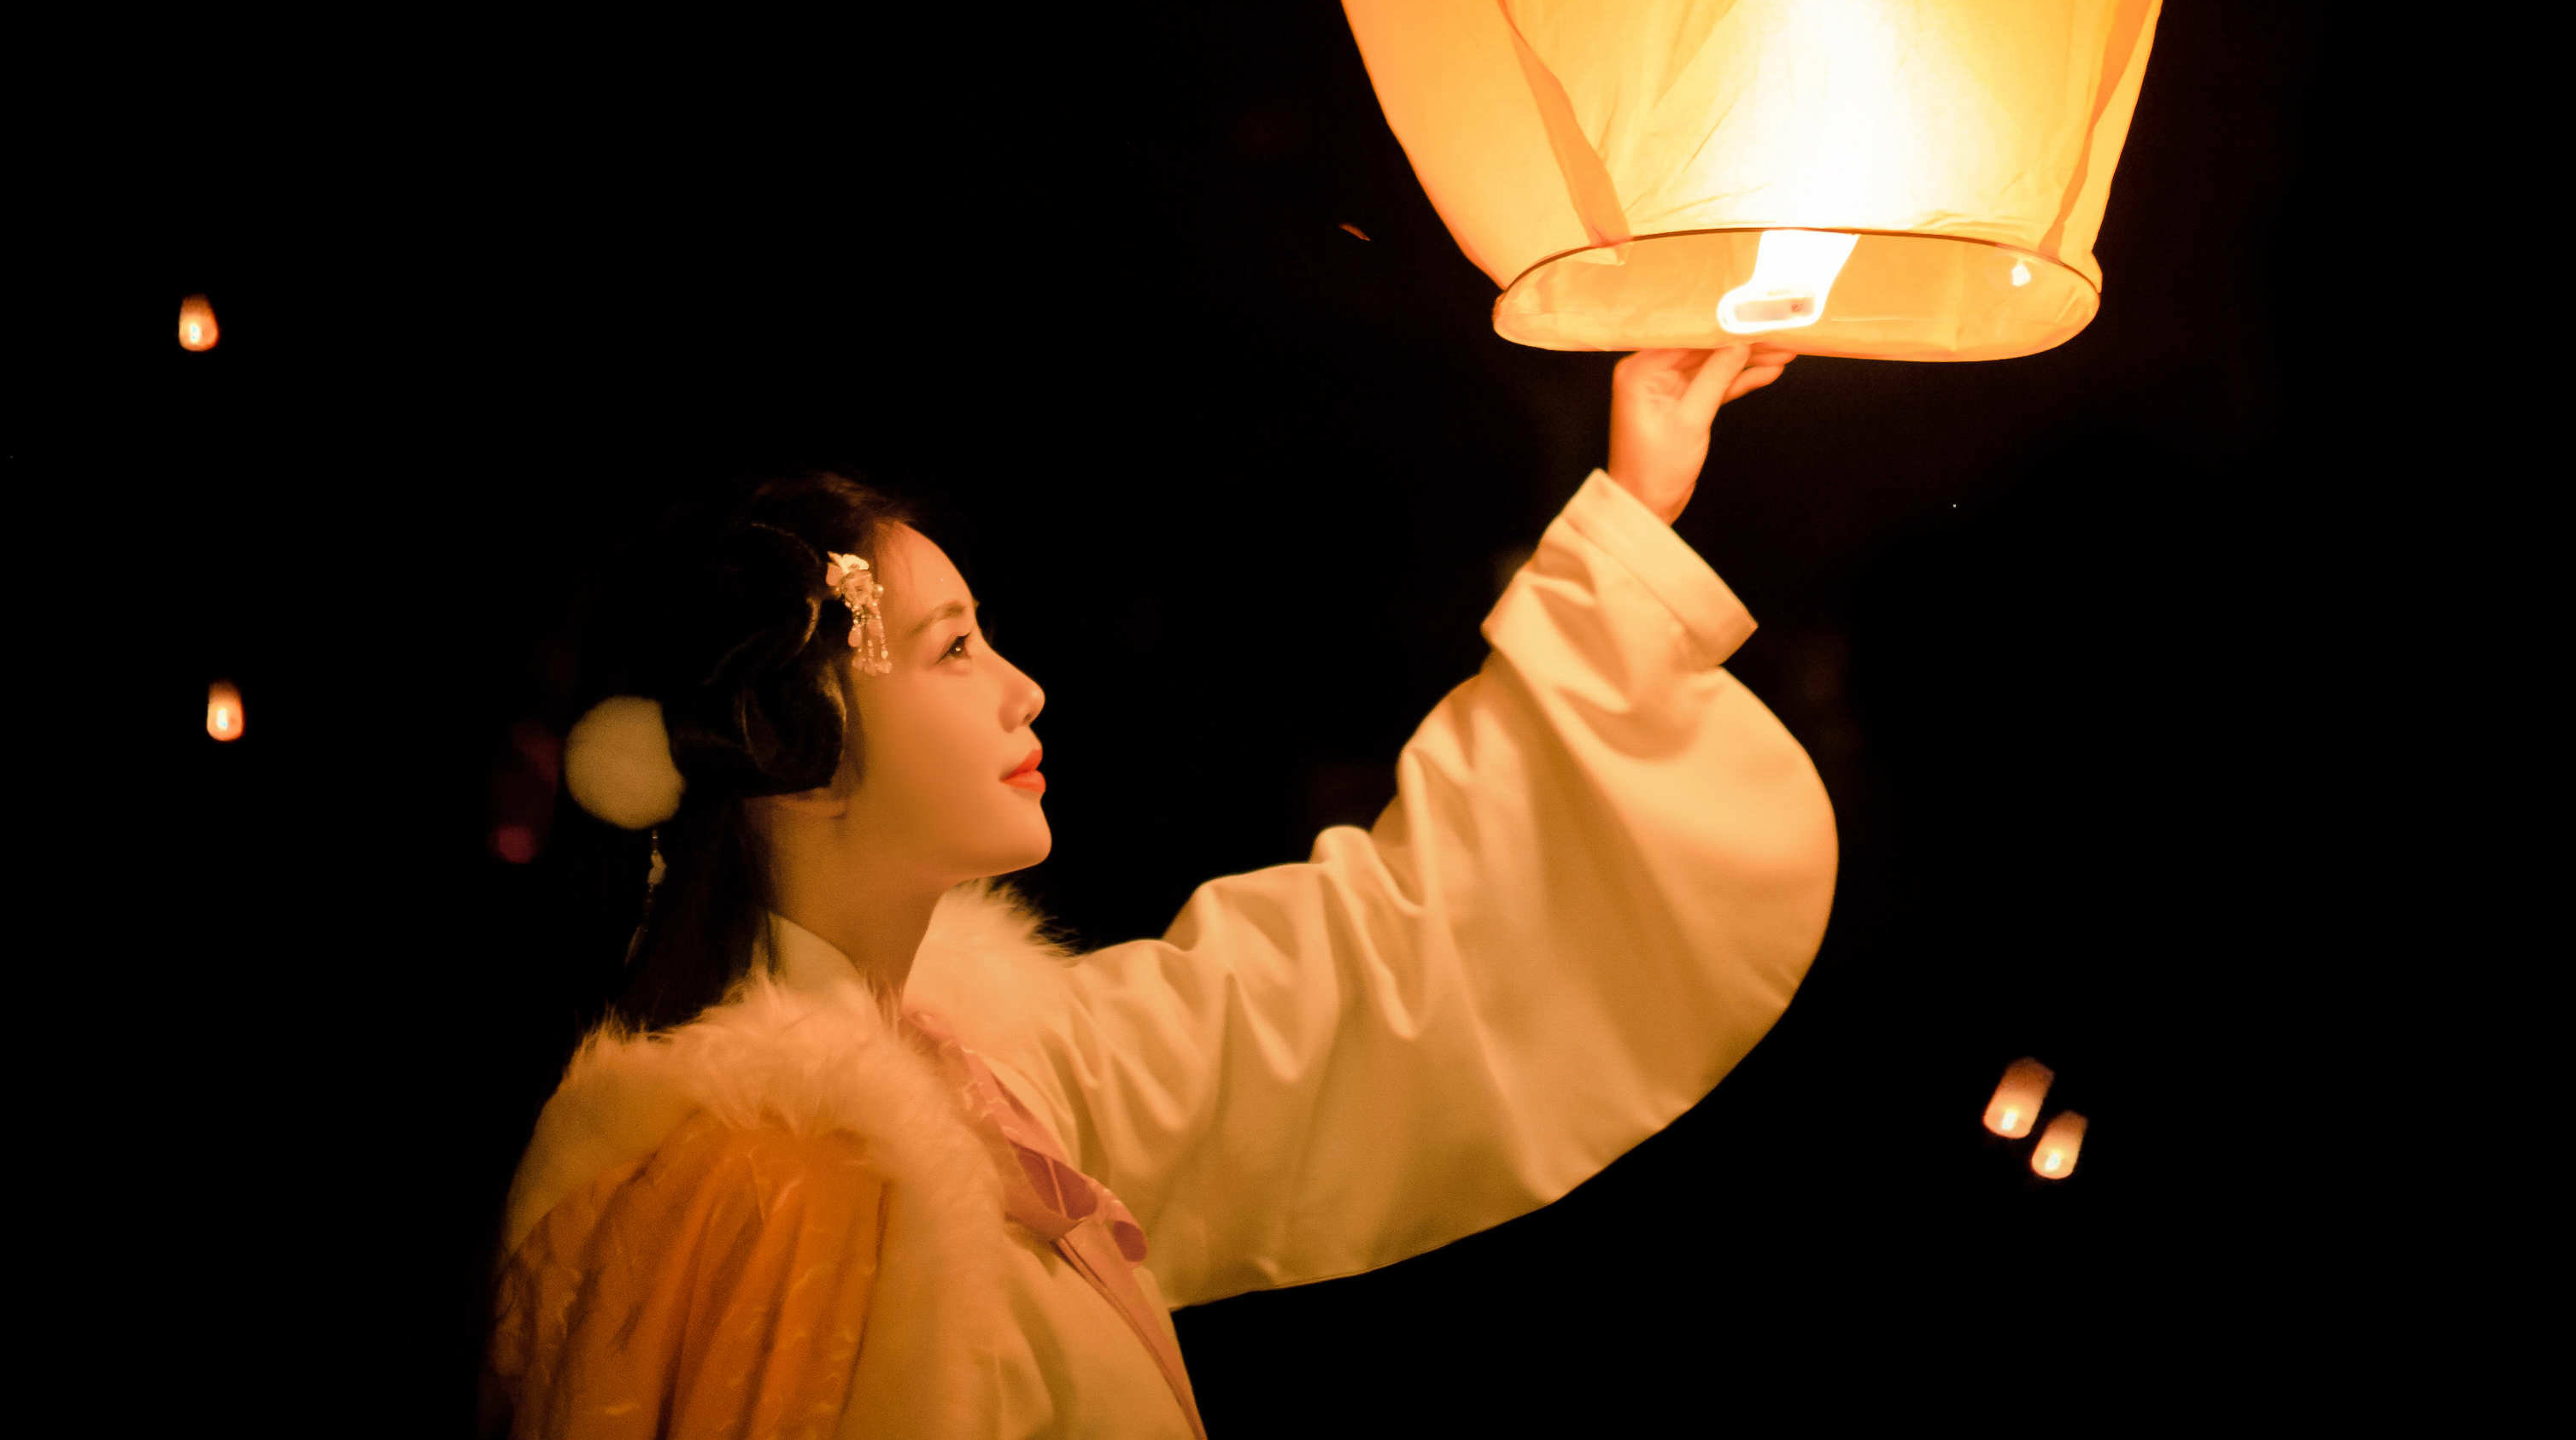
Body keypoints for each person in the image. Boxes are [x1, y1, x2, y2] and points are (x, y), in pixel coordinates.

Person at [486, 342, 1831, 1436]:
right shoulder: (760, 1175)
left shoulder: (989, 1070)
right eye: (955, 649)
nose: (1025, 685)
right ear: (802, 749)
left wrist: (1628, 521)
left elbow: (1363, 974)